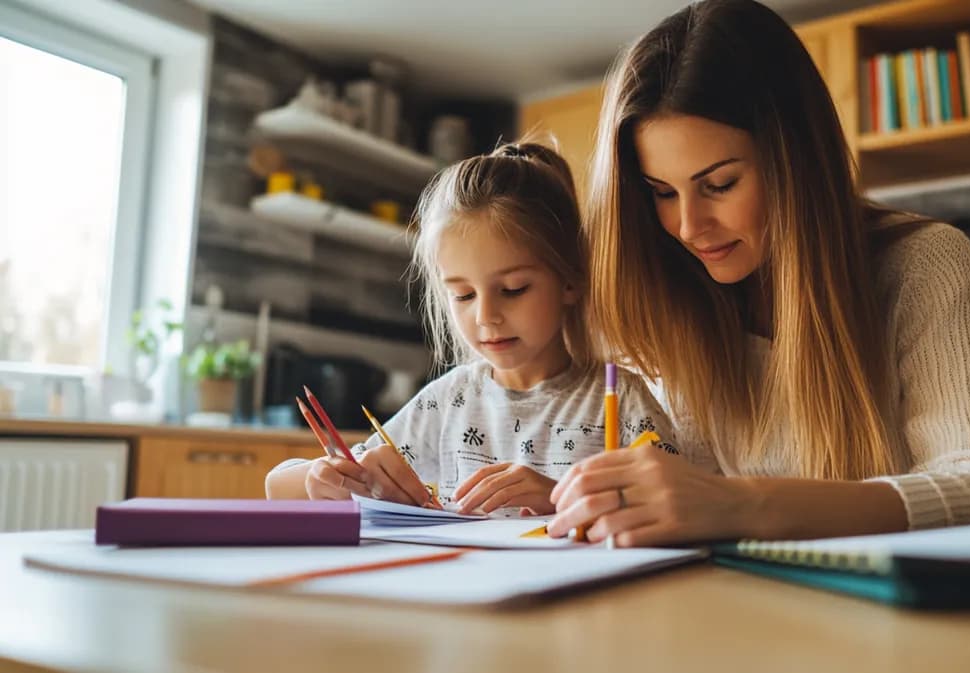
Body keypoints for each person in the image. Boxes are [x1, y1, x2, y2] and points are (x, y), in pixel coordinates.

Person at [547, 0, 970, 546]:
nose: (688, 226)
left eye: (720, 184)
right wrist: (574, 495)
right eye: (662, 193)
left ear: (794, 159)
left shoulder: (924, 265)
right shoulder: (675, 290)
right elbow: (681, 495)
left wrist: (742, 504)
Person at [265, 142, 712, 514]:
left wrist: (561, 500)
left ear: (571, 280)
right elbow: (275, 487)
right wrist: (322, 479)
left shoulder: (620, 398)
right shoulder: (449, 402)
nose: (486, 317)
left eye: (514, 289)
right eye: (463, 295)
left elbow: (685, 508)